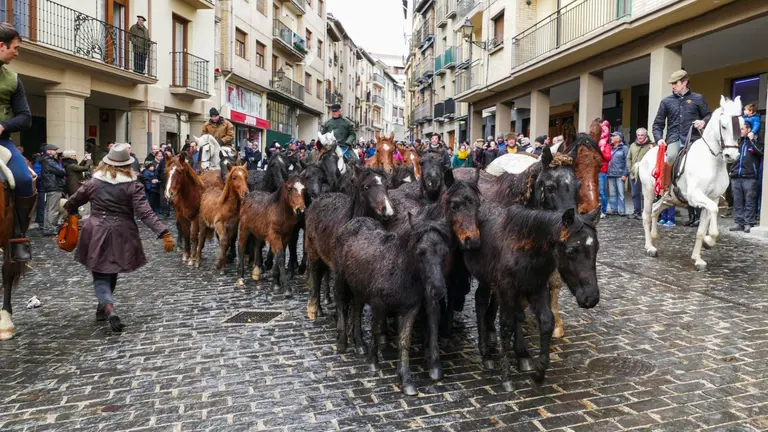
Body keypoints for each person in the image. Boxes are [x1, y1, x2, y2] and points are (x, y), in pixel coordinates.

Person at [64, 144, 176, 332]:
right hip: (122, 231)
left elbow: (72, 202)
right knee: (111, 269)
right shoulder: (133, 185)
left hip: (96, 230)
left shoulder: (93, 183)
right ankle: (104, 307)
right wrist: (163, 232)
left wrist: (71, 211)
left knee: (100, 273)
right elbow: (145, 212)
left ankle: (108, 308)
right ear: (127, 165)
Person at [0, 23, 35, 261]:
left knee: (23, 179)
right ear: (1, 46)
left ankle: (18, 236)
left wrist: (3, 126)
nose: (17, 52)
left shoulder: (13, 79)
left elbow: (25, 117)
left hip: (1, 142)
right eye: (15, 47)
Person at [652, 69, 711, 198]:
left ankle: (711, 190)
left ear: (685, 82)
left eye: (675, 83)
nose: (673, 86)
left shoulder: (698, 98)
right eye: (672, 84)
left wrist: (703, 122)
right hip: (674, 138)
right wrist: (659, 139)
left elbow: (708, 115)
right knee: (672, 156)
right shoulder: (666, 102)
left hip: (694, 138)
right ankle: (666, 190)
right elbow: (657, 124)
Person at [729, 122, 763, 233]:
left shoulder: (756, 140)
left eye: (742, 129)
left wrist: (752, 141)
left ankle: (749, 223)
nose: (740, 131)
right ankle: (739, 222)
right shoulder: (735, 142)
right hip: (735, 175)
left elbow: (761, 153)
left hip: (750, 176)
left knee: (749, 201)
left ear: (748, 130)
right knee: (737, 201)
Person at [626, 128, 652, 220]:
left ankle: (645, 212)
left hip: (646, 175)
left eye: (642, 135)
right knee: (635, 194)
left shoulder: (650, 146)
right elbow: (628, 158)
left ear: (645, 135)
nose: (640, 137)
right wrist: (629, 169)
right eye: (638, 135)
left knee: (645, 194)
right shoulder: (633, 145)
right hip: (634, 174)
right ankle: (636, 211)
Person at [40, 144, 66, 236]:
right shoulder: (49, 161)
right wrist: (62, 169)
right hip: (54, 186)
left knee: (49, 208)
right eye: (54, 150)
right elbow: (62, 172)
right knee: (53, 209)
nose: (56, 152)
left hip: (50, 186)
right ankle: (51, 228)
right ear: (49, 151)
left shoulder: (46, 161)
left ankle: (47, 228)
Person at [606, 131, 629, 216]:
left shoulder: (624, 148)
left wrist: (625, 174)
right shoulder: (610, 148)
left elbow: (627, 162)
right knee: (612, 193)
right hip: (610, 174)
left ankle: (622, 211)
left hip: (620, 174)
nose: (611, 138)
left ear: (618, 138)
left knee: (621, 194)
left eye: (613, 136)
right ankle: (614, 210)